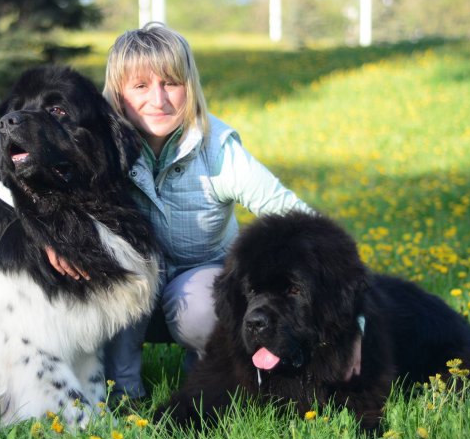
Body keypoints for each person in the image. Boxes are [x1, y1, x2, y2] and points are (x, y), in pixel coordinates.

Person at [47, 22, 311, 400]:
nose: (159, 99)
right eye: (140, 86)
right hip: (121, 292)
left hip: (195, 293)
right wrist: (48, 233)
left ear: (190, 86)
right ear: (118, 94)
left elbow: (299, 222)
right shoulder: (93, 141)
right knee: (102, 270)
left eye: (171, 82)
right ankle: (118, 394)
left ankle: (214, 386)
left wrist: (356, 322)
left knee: (202, 307)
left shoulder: (218, 148)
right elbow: (0, 159)